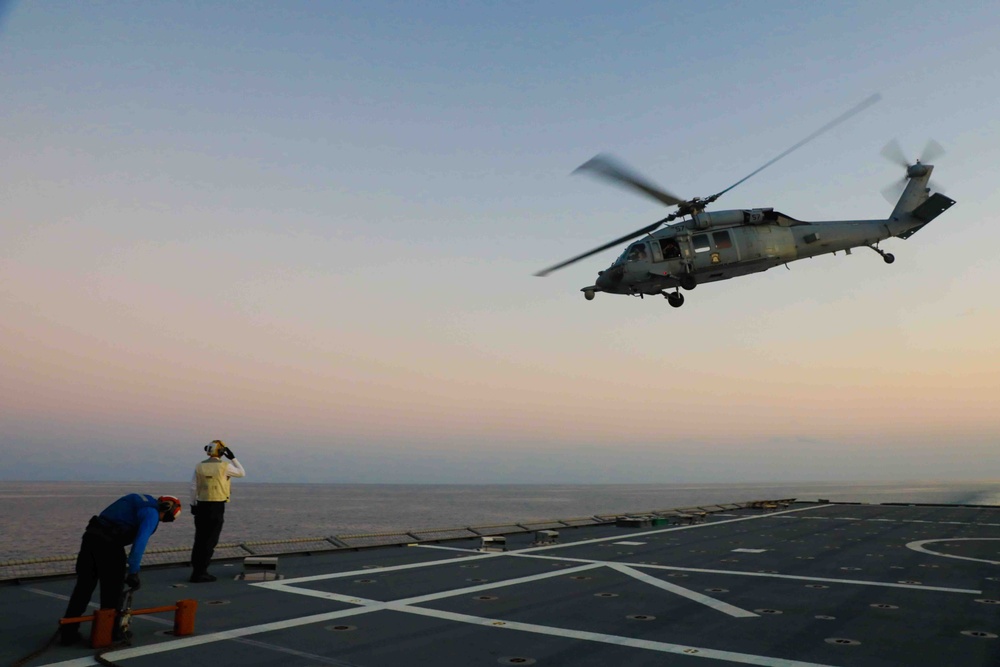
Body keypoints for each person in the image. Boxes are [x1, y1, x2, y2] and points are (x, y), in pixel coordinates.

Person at [61, 494, 182, 646]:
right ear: (167, 509)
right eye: (167, 518)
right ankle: (108, 633)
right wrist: (133, 572)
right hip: (110, 544)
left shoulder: (137, 498)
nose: (162, 520)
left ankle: (68, 632)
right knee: (112, 592)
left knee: (83, 587)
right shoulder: (152, 513)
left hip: (90, 538)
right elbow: (140, 544)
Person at [189, 439, 246, 583]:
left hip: (201, 505)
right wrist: (232, 457)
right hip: (216, 506)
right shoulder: (225, 466)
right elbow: (241, 473)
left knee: (199, 539)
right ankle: (202, 572)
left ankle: (196, 570)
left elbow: (193, 487)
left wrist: (192, 504)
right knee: (210, 540)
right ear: (221, 452)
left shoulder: (199, 466)